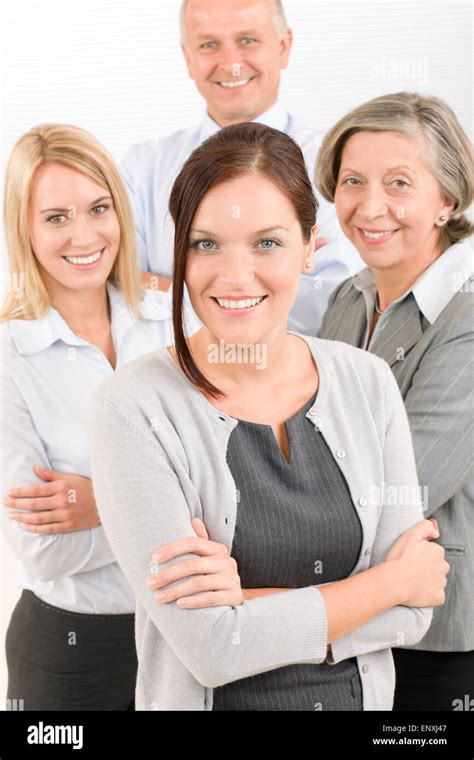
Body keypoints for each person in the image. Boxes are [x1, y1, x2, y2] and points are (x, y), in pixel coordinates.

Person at [88, 122, 448, 711]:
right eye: (206, 244)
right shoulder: (132, 407)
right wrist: (383, 586)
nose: (234, 275)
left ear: (310, 247)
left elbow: (413, 614)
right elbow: (210, 648)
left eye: (267, 243)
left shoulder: (367, 382)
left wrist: (246, 608)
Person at [0, 123, 200, 710]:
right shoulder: (10, 357)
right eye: (56, 217)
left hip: (185, 638)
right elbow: (41, 550)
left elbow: (227, 493)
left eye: (98, 208)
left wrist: (97, 503)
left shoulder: (176, 323)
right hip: (70, 655)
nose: (83, 235)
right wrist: (169, 514)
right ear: (25, 229)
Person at [316, 91, 473, 711]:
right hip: (354, 622)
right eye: (353, 181)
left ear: (448, 201)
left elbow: (401, 489)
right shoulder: (348, 299)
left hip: (439, 638)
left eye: (399, 183)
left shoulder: (465, 319)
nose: (370, 206)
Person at [121, 0, 362, 335]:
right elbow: (121, 297)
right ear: (188, 59)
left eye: (248, 40)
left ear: (283, 47)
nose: (231, 64)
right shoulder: (143, 167)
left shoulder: (338, 163)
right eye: (208, 45)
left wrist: (171, 291)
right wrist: (259, 295)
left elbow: (327, 310)